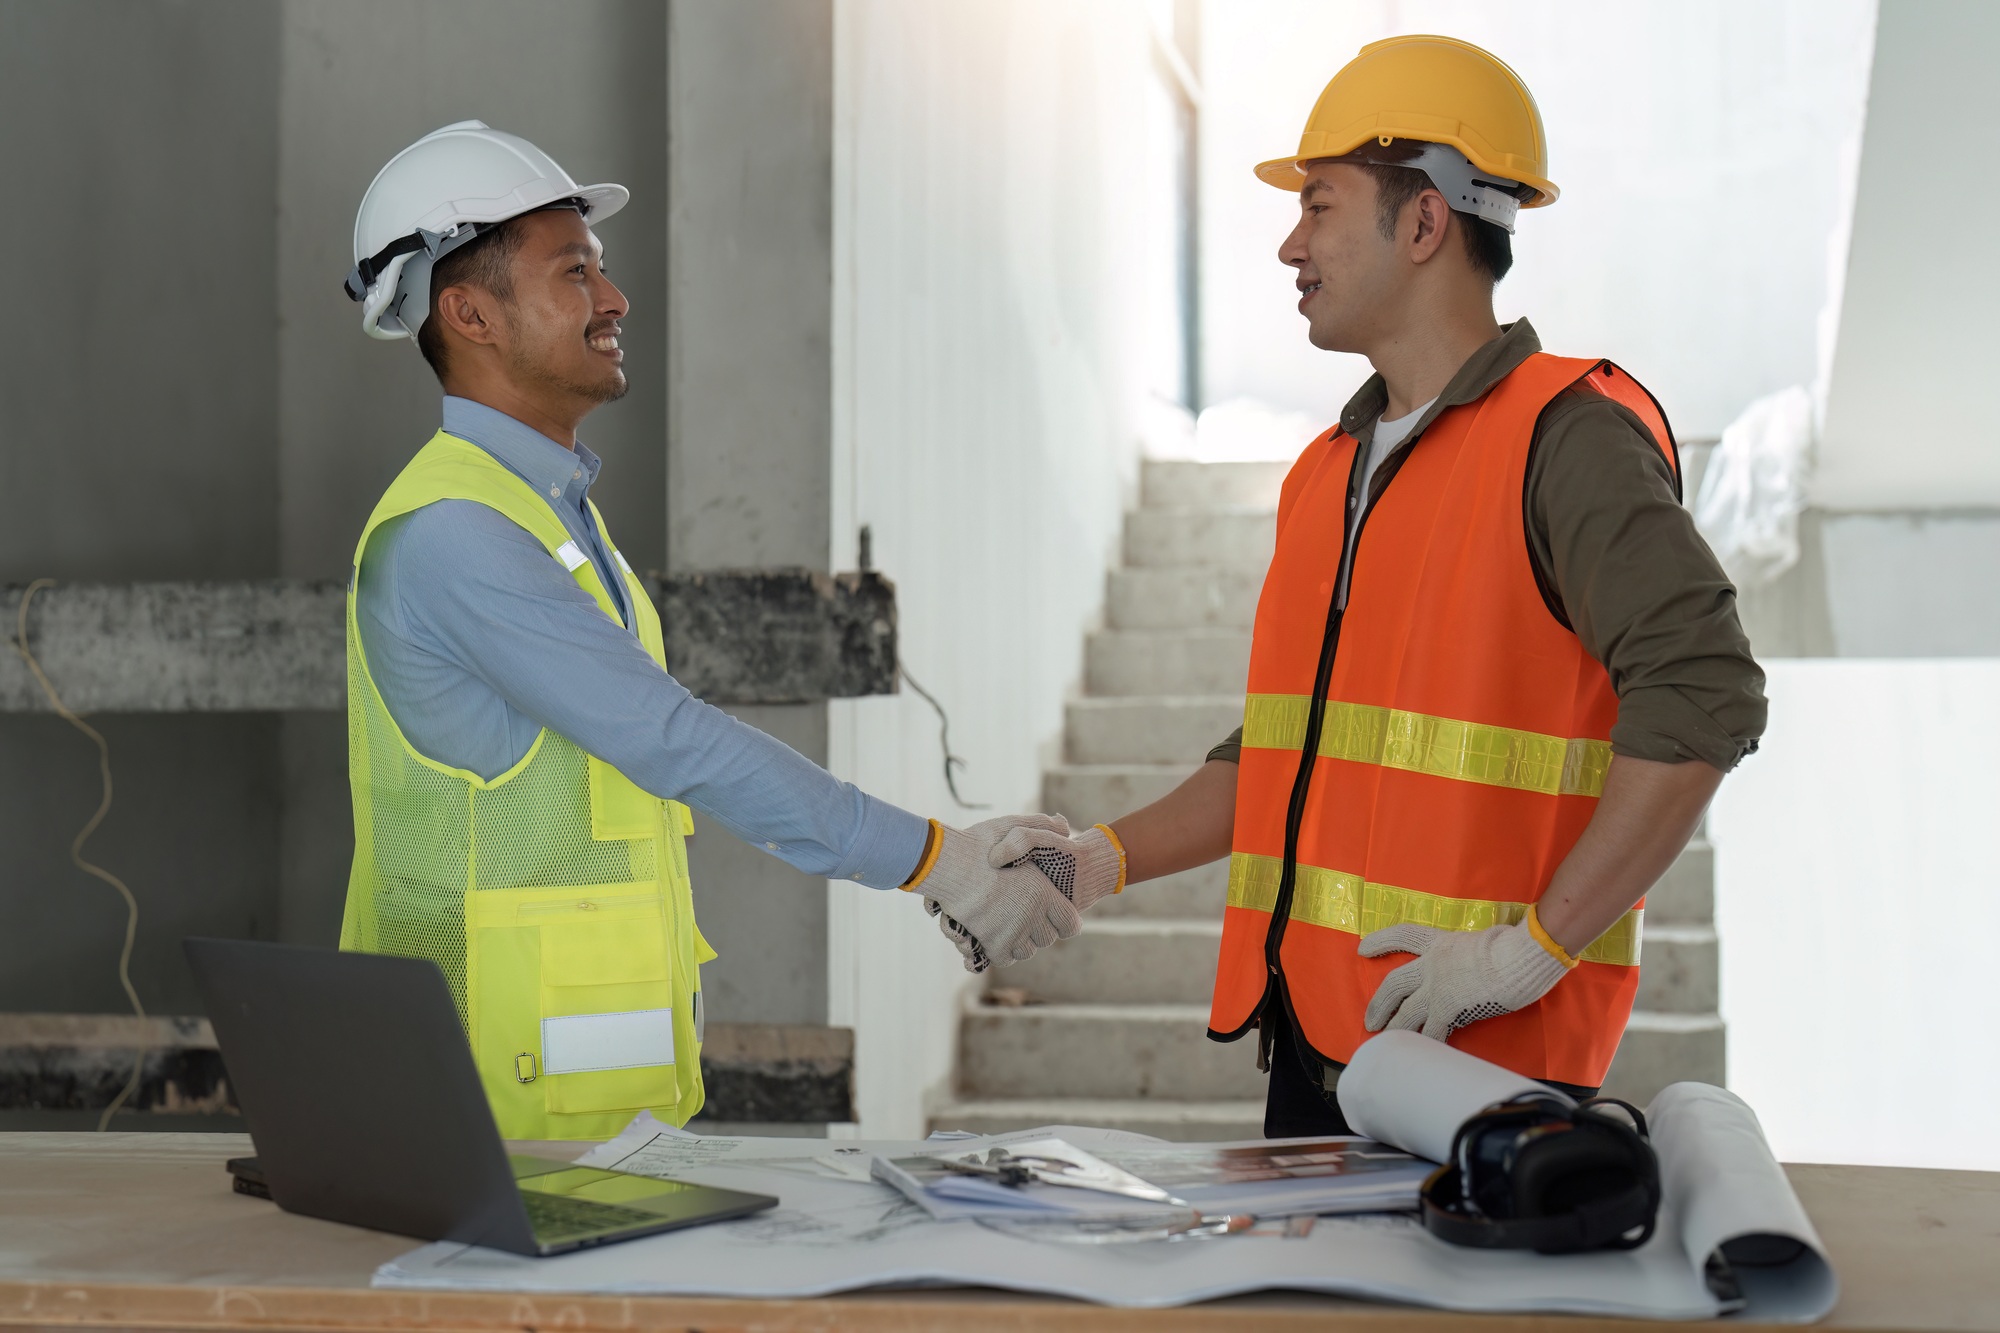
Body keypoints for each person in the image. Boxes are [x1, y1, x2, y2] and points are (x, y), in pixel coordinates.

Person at [971, 38, 1767, 1136]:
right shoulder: (1327, 471)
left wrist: (1531, 950)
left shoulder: (1565, 438)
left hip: (1483, 1069)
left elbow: (1705, 692)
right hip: (1318, 1048)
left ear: (1425, 221)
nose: (1289, 244)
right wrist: (1092, 862)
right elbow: (1291, 750)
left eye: (1319, 205)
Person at [335, 122, 1075, 1138]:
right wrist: (936, 858)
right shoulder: (455, 533)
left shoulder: (549, 512)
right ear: (470, 314)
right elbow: (672, 737)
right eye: (574, 271)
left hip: (561, 1106)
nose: (613, 298)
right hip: (481, 1115)